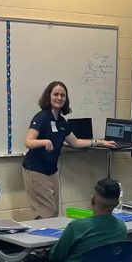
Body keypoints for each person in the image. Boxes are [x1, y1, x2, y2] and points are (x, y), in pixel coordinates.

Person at [23, 81, 117, 219]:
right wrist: (45, 142)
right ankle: (38, 239)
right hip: (36, 169)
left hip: (51, 170)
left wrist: (100, 142)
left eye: (62, 95)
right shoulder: (41, 117)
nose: (59, 98)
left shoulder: (61, 121)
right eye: (55, 94)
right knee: (46, 212)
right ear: (49, 96)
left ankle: (49, 239)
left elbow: (76, 142)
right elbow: (28, 141)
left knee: (53, 212)